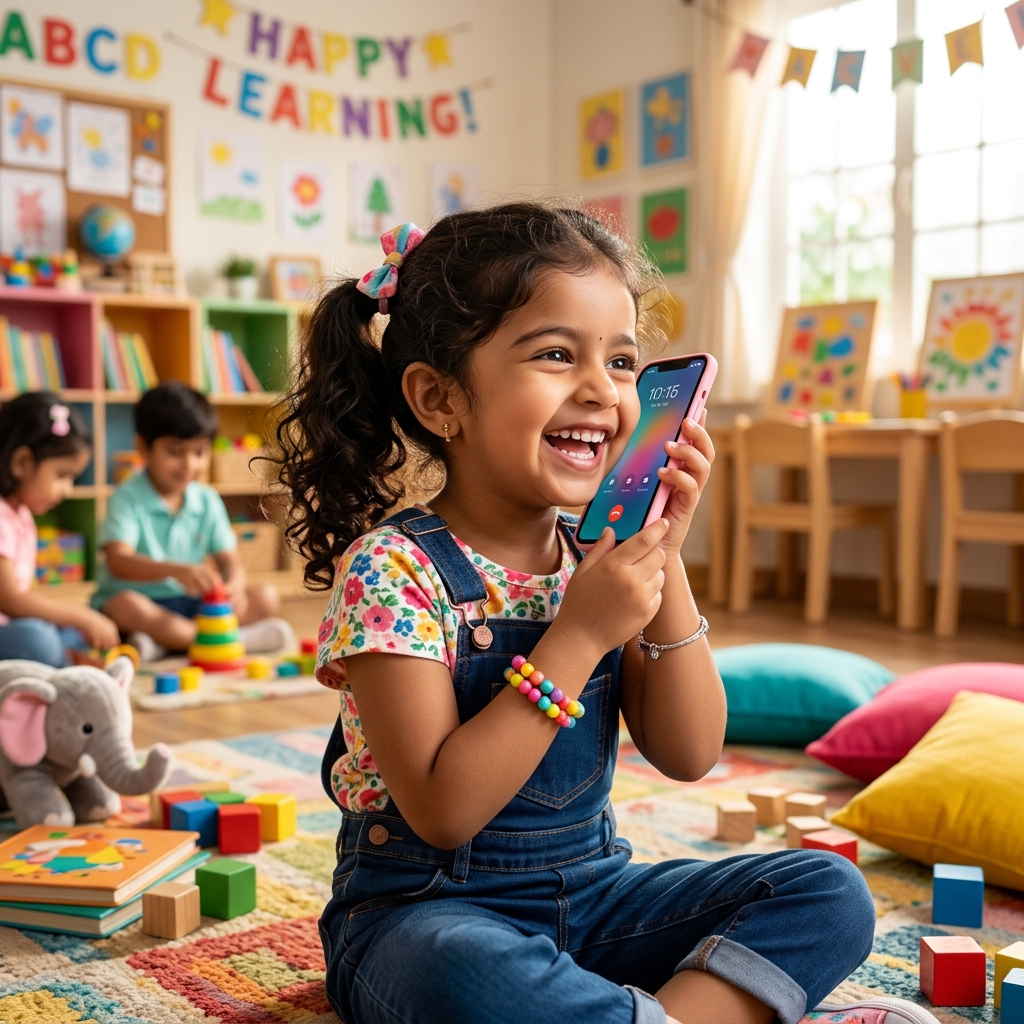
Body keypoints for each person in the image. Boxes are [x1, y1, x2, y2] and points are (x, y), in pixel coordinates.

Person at [278, 206, 928, 1024]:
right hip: (421, 914)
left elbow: (691, 753)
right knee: (457, 973)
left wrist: (663, 553)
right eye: (555, 354)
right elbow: (443, 813)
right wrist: (580, 633)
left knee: (827, 890)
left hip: (593, 901)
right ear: (440, 399)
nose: (601, 389)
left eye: (622, 361)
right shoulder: (395, 570)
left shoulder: (600, 559)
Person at [93, 382, 292, 662]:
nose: (189, 463)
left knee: (266, 596)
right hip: (142, 602)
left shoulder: (207, 499)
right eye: (175, 452)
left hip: (194, 606)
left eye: (199, 452)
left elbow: (228, 559)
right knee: (127, 606)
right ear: (143, 448)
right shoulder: (127, 498)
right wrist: (176, 570)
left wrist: (235, 583)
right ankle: (223, 641)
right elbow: (118, 561)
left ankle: (167, 644)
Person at [0, 392, 120, 666]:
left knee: (68, 634)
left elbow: (24, 596)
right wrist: (82, 616)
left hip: (11, 630)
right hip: (14, 633)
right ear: (22, 463)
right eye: (62, 475)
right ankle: (67, 666)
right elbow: (8, 599)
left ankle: (67, 661)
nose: (67, 489)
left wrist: (77, 621)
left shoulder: (21, 516)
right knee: (38, 641)